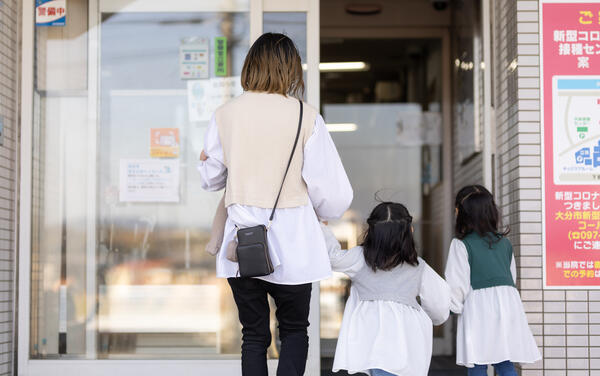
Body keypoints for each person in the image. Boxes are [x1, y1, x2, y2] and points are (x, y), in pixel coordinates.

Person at [197, 32, 353, 376]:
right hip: (295, 243)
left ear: (250, 66)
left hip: (244, 243)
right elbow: (333, 192)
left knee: (253, 334)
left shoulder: (225, 114)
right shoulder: (306, 116)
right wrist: (324, 216)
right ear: (291, 70)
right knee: (294, 331)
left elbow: (211, 180)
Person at [321, 202, 450, 376]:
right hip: (408, 338)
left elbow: (333, 257)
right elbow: (440, 305)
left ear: (371, 232)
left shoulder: (360, 258)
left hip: (372, 338)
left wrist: (321, 227)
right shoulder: (419, 267)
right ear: (409, 232)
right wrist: (434, 319)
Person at [444, 185, 541, 375]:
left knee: (478, 362)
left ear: (462, 212)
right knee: (504, 361)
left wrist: (450, 307)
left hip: (478, 308)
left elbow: (457, 285)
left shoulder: (461, 244)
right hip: (508, 306)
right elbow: (511, 278)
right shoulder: (504, 243)